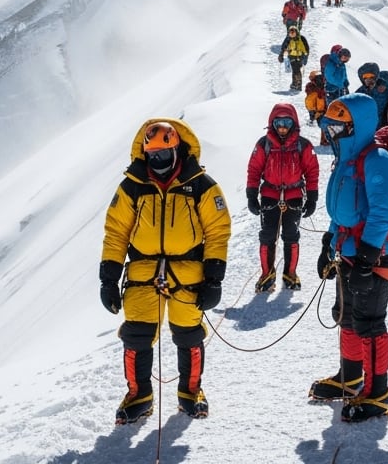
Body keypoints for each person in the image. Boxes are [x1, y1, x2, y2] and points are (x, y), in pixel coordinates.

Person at [100, 119, 232, 424]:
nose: (156, 162)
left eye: (163, 155)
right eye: (152, 156)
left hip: (188, 272)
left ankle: (190, 392)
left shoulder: (200, 184)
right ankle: (139, 396)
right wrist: (108, 276)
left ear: (176, 150)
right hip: (142, 271)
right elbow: (116, 231)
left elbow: (218, 229)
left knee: (189, 336)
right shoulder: (133, 185)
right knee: (137, 336)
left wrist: (213, 277)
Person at [309, 94, 388, 422]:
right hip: (349, 251)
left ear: (355, 125)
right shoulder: (347, 159)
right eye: (330, 126)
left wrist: (366, 258)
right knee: (346, 316)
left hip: (374, 256)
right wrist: (328, 243)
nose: (331, 132)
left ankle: (378, 393)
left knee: (369, 323)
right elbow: (342, 211)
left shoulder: (377, 160)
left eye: (337, 126)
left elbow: (383, 212)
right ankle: (351, 379)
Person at [245, 103, 320, 292]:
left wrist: (312, 197)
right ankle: (267, 275)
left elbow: (312, 171)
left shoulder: (303, 145)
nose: (283, 127)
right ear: (272, 123)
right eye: (279, 123)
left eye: (287, 122)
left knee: (291, 236)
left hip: (294, 197)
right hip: (270, 196)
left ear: (293, 123)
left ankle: (290, 274)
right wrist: (251, 195)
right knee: (267, 236)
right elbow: (254, 169)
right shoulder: (264, 144)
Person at [278, 24, 311, 91]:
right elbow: (283, 47)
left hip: (300, 56)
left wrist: (306, 57)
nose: (292, 34)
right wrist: (281, 55)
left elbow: (307, 48)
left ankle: (297, 85)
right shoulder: (288, 39)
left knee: (297, 70)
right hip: (292, 56)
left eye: (293, 32)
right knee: (295, 69)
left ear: (296, 32)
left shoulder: (302, 38)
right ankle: (295, 84)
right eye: (290, 32)